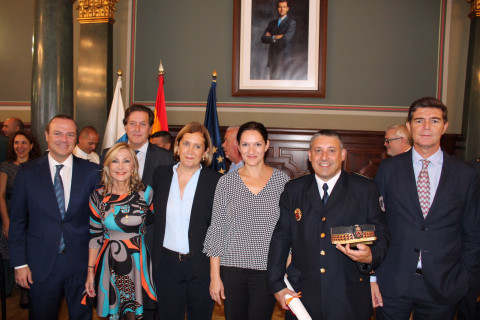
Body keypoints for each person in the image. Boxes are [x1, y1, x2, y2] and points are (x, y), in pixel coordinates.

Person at [372, 97, 480, 319]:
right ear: (410, 127)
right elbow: (376, 224)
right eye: (419, 121)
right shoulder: (388, 169)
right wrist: (373, 276)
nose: (427, 127)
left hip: (443, 285)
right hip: (392, 282)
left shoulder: (466, 175)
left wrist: (463, 278)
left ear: (445, 126)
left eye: (434, 121)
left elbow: (473, 233)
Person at [267, 129, 389, 319]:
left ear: (342, 155)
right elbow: (281, 238)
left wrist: (371, 256)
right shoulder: (294, 190)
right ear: (309, 155)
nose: (324, 157)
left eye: (331, 150)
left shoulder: (364, 189)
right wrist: (277, 284)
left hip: (349, 296)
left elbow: (382, 234)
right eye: (318, 151)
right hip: (303, 295)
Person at [9, 115, 99, 319]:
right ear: (46, 135)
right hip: (39, 264)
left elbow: (98, 222)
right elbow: (18, 222)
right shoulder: (27, 172)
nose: (64, 139)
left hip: (82, 264)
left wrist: (96, 267)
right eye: (58, 133)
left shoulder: (92, 172)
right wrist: (20, 264)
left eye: (70, 135)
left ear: (76, 139)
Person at [204, 121, 290, 320]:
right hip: (231, 269)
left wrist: (285, 271)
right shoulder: (226, 182)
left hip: (268, 269)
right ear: (239, 147)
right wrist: (214, 277)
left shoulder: (282, 182)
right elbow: (217, 229)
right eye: (245, 145)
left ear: (267, 145)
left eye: (257, 144)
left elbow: (287, 231)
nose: (251, 151)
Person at [151, 122, 221, 319]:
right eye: (186, 144)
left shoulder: (215, 181)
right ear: (177, 146)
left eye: (197, 146)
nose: (191, 151)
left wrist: (216, 275)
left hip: (200, 267)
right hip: (166, 266)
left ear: (205, 151)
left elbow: (219, 229)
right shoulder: (161, 175)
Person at [84, 142, 157, 320]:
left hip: (138, 261)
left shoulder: (146, 193)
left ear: (134, 166)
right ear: (108, 166)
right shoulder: (97, 197)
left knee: (134, 313)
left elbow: (152, 225)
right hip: (109, 262)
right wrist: (90, 271)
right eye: (115, 161)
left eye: (126, 161)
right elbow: (95, 236)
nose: (121, 166)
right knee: (113, 312)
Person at [0, 130, 41, 305]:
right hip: (10, 213)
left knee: (31, 252)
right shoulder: (6, 166)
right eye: (16, 143)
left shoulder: (38, 166)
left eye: (24, 143)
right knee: (10, 251)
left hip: (32, 216)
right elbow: (0, 195)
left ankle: (27, 291)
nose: (20, 146)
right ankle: (10, 287)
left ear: (31, 146)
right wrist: (6, 221)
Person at [261, 0, 296, 80]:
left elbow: (285, 40)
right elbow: (263, 38)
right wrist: (275, 37)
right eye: (280, 7)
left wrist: (270, 37)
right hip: (273, 60)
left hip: (284, 60)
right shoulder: (271, 23)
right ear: (277, 8)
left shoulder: (291, 23)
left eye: (284, 7)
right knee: (272, 87)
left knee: (284, 89)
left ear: (288, 8)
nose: (282, 9)